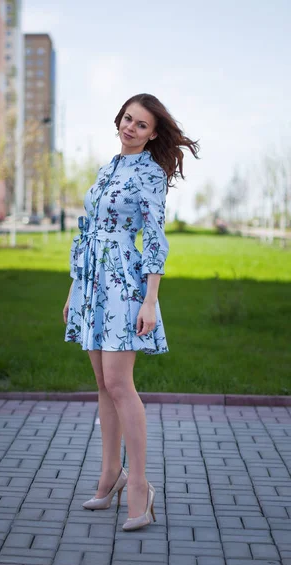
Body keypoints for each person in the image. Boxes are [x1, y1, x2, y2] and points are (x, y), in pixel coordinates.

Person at [63, 93, 200, 531]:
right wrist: (73, 288)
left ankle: (139, 483)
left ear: (153, 133)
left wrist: (151, 299)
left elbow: (155, 239)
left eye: (141, 124)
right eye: (127, 119)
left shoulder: (150, 174)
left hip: (124, 284)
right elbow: (87, 232)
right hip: (91, 285)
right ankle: (110, 476)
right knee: (103, 384)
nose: (130, 128)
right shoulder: (108, 168)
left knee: (121, 384)